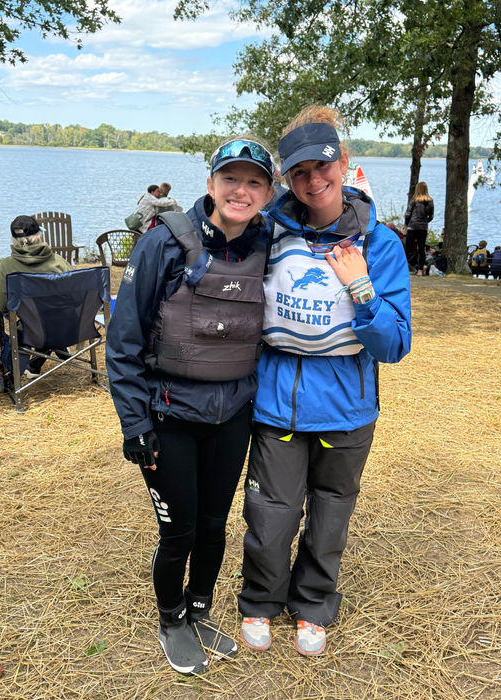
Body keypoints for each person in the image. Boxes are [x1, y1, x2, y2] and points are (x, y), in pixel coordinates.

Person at [238, 105, 411, 657]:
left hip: (348, 407)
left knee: (331, 511)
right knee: (271, 512)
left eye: (323, 166)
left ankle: (313, 603)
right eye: (300, 172)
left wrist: (362, 289)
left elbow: (396, 345)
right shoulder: (266, 233)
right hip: (276, 404)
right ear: (286, 178)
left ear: (344, 162)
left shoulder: (381, 244)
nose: (314, 180)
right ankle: (262, 600)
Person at [106, 137, 274, 676]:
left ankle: (200, 609)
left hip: (233, 416)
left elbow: (328, 206)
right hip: (168, 415)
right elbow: (124, 339)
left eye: (253, 182)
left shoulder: (268, 239)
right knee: (178, 530)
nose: (240, 191)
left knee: (213, 524)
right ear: (210, 185)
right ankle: (171, 619)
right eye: (231, 179)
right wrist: (135, 423)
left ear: (267, 193)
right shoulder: (163, 243)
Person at [0, 215, 72, 378]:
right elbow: (74, 297)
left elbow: (1, 305)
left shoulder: (6, 267)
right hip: (70, 328)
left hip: (30, 331)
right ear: (39, 236)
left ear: (14, 240)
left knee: (31, 320)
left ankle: (30, 364)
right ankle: (52, 351)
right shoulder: (58, 262)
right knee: (49, 316)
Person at [404, 182, 434, 275]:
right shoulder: (430, 201)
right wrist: (425, 222)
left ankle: (404, 267)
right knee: (421, 249)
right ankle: (420, 270)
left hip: (412, 226)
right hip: (423, 227)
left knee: (408, 248)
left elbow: (408, 214)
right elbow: (431, 216)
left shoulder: (414, 200)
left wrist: (406, 224)